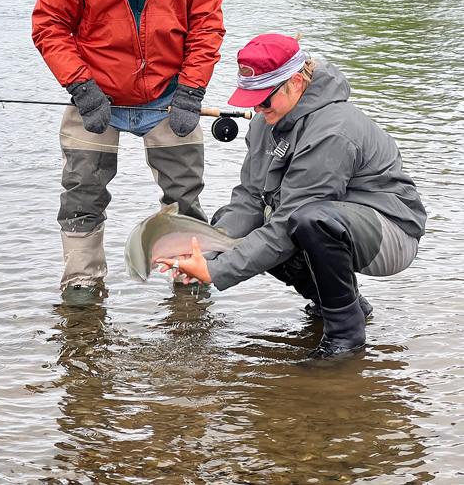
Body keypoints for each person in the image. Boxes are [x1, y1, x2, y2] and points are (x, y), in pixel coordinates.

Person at [157, 33, 427, 359]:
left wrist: (216, 272)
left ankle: (345, 336)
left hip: (391, 233)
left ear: (296, 82)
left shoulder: (332, 130)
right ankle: (344, 303)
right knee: (241, 223)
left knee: (308, 222)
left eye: (264, 98)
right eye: (251, 98)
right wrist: (206, 251)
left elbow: (286, 227)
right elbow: (249, 199)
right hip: (334, 220)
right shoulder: (265, 122)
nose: (257, 107)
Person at [32, 0, 224, 301]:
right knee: (81, 193)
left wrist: (192, 90)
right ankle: (81, 286)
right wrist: (81, 86)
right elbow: (48, 24)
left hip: (169, 94)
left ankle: (188, 280)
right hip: (95, 94)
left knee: (186, 197)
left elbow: (207, 23)